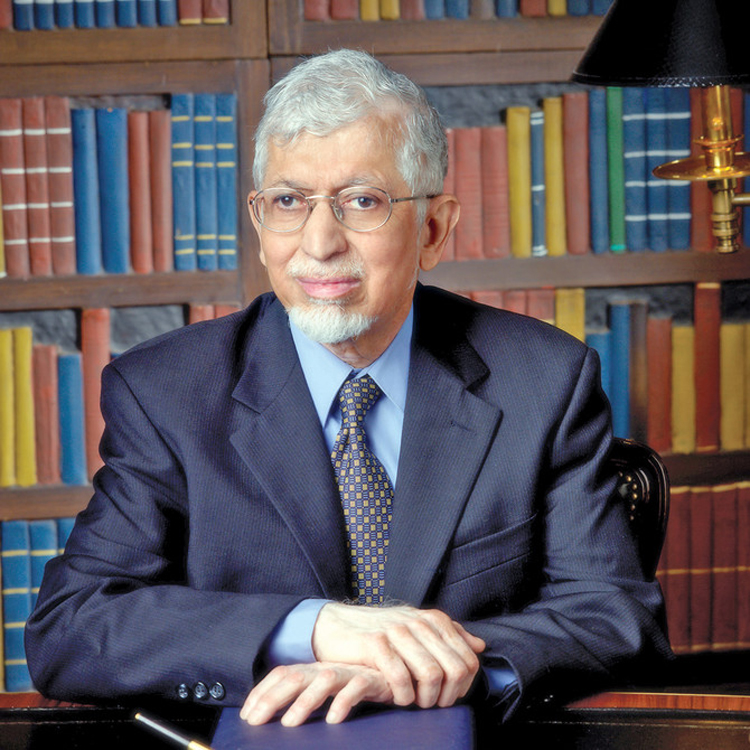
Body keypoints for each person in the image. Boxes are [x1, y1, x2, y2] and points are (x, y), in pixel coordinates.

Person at [25, 49, 670, 728]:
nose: (319, 242)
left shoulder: (543, 380)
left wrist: (425, 667)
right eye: (288, 202)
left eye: (362, 201)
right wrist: (312, 629)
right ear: (259, 224)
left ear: (433, 229)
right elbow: (72, 626)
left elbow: (613, 617)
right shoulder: (165, 392)